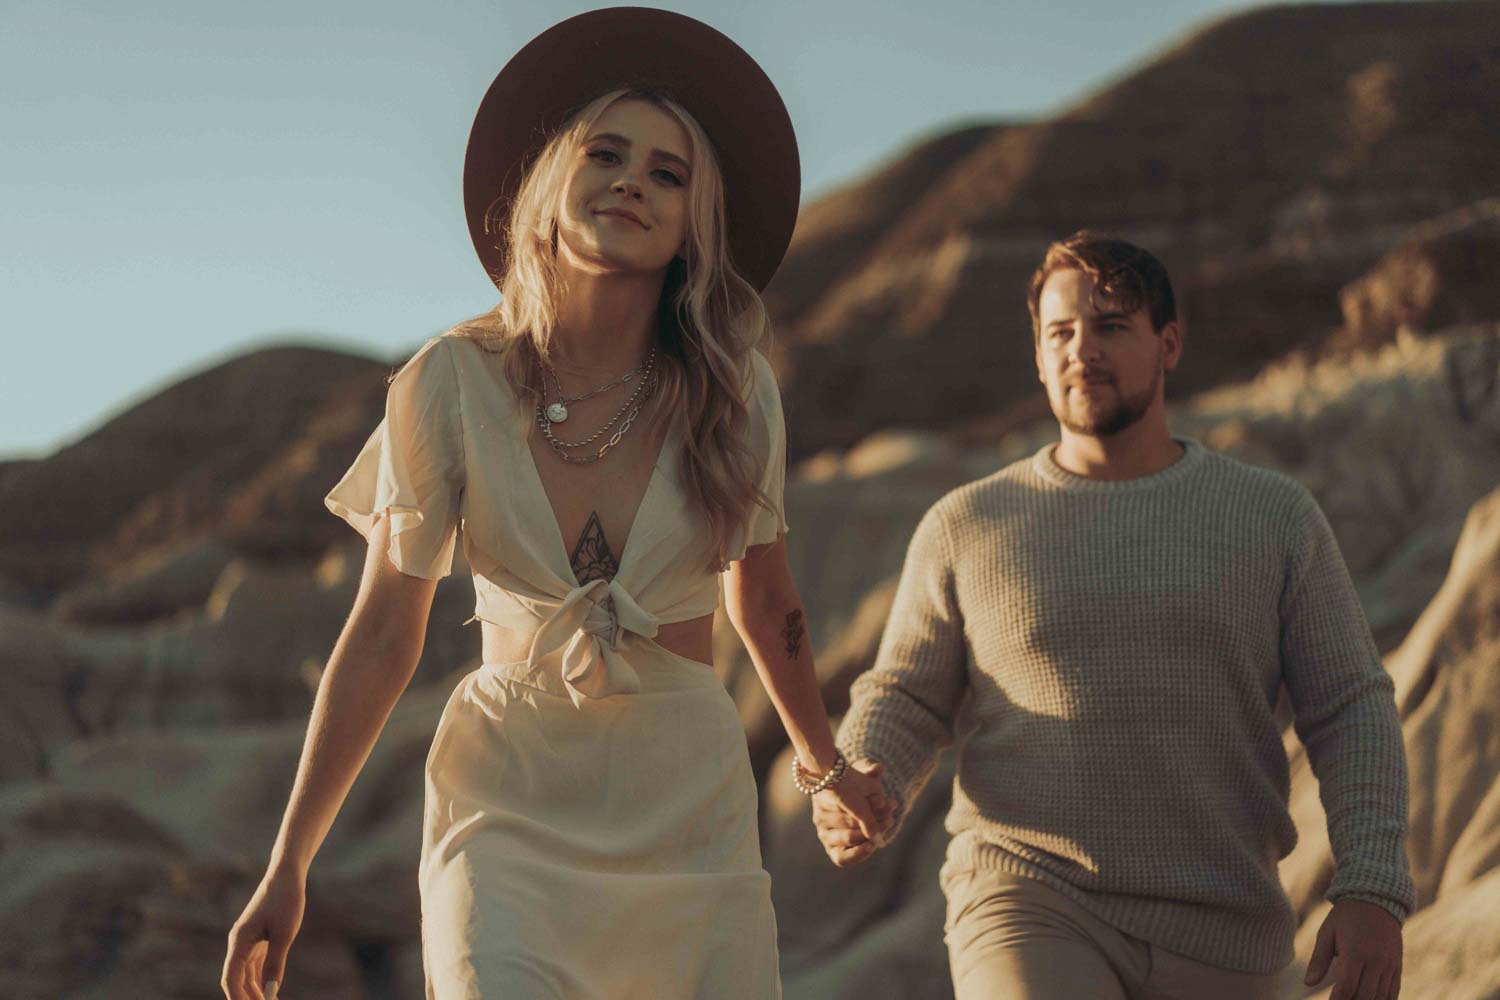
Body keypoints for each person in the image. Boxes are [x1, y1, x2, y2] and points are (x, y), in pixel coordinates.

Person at [221, 10, 886, 999]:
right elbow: (380, 635)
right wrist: (289, 865)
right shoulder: (449, 383)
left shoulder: (737, 392)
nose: (632, 180)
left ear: (694, 225)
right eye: (606, 153)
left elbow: (767, 602)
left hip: (685, 804)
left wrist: (824, 765)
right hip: (508, 800)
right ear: (550, 182)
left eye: (669, 173)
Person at [814, 232, 1415, 1000]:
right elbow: (905, 692)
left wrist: (1371, 884)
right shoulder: (967, 524)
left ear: (1169, 344)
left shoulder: (1272, 518)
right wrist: (867, 769)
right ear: (1036, 355)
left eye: (1111, 326)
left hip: (1228, 921)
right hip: (1027, 895)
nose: (1081, 350)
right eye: (1060, 332)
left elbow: (1350, 706)